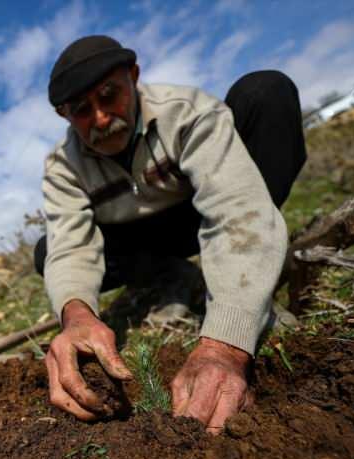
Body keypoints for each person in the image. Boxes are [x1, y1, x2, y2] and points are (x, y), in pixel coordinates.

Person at [34, 35, 306, 432]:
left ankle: (253, 265)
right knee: (46, 251)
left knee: (265, 92)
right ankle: (165, 275)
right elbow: (71, 245)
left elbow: (233, 206)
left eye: (110, 95)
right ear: (64, 116)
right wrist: (76, 315)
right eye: (81, 110)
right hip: (138, 240)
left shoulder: (186, 112)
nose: (101, 118)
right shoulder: (63, 167)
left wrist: (225, 346)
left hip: (200, 213)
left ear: (134, 76)